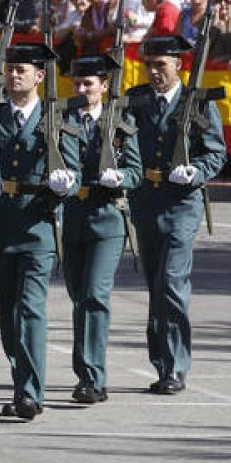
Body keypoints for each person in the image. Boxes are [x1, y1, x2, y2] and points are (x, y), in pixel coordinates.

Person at [0, 43, 81, 420]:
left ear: (40, 76)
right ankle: (20, 377)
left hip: (37, 222)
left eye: (22, 70)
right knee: (8, 317)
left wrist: (64, 183)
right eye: (10, 70)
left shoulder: (55, 118)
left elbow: (72, 174)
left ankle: (29, 392)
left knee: (30, 310)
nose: (14, 75)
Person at [128, 35, 226, 395]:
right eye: (149, 65)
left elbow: (215, 152)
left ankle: (176, 367)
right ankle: (162, 362)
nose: (154, 72)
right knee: (156, 285)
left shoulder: (196, 102)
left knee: (171, 283)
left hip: (182, 202)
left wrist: (196, 171)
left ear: (179, 66)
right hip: (146, 200)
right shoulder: (136, 99)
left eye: (161, 66)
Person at [62, 54, 142, 404]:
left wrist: (121, 176)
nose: (81, 90)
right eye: (77, 84)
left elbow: (136, 172)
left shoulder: (121, 121)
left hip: (108, 217)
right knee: (79, 297)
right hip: (72, 217)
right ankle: (87, 371)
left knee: (95, 295)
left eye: (88, 84)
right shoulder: (62, 120)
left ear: (104, 86)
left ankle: (93, 377)